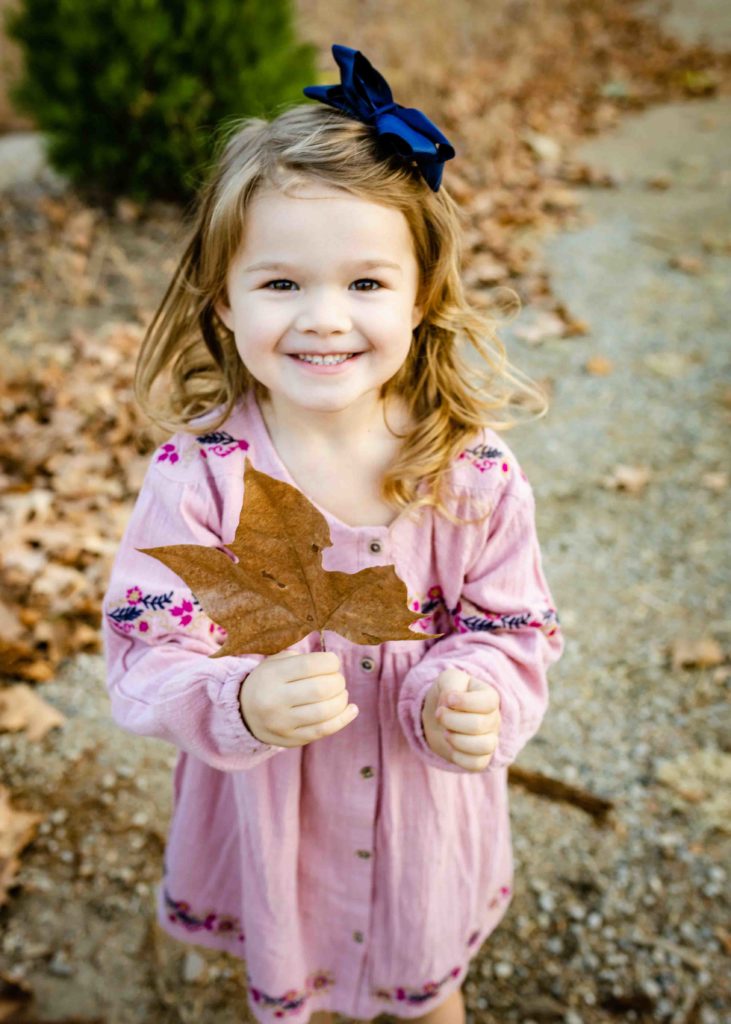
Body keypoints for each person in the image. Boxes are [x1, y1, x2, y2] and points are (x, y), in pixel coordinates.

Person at [102, 44, 564, 1024]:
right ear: (222, 303)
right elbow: (146, 648)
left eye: (364, 284)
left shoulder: (467, 476)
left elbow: (514, 626)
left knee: (425, 991)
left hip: (416, 817)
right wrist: (237, 698)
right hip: (274, 819)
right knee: (290, 978)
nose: (324, 318)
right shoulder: (200, 483)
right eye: (280, 284)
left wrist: (470, 688)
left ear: (421, 295)